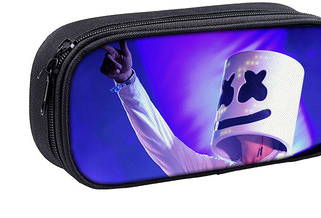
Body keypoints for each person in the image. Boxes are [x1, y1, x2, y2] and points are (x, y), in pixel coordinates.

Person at [100, 40, 283, 177]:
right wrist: (127, 81)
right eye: (231, 92)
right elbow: (163, 145)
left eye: (250, 92)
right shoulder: (214, 172)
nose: (240, 103)